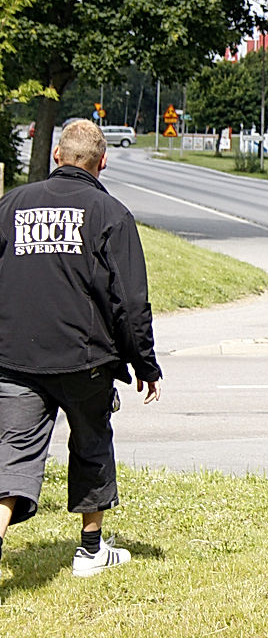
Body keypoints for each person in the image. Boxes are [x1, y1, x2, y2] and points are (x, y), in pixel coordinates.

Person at [0, 120, 162, 578]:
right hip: (86, 360)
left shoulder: (10, 205)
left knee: (12, 453)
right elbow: (130, 302)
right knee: (92, 444)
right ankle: (91, 551)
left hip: (15, 360)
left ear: (56, 156)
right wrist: (144, 362)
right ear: (102, 162)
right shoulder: (111, 214)